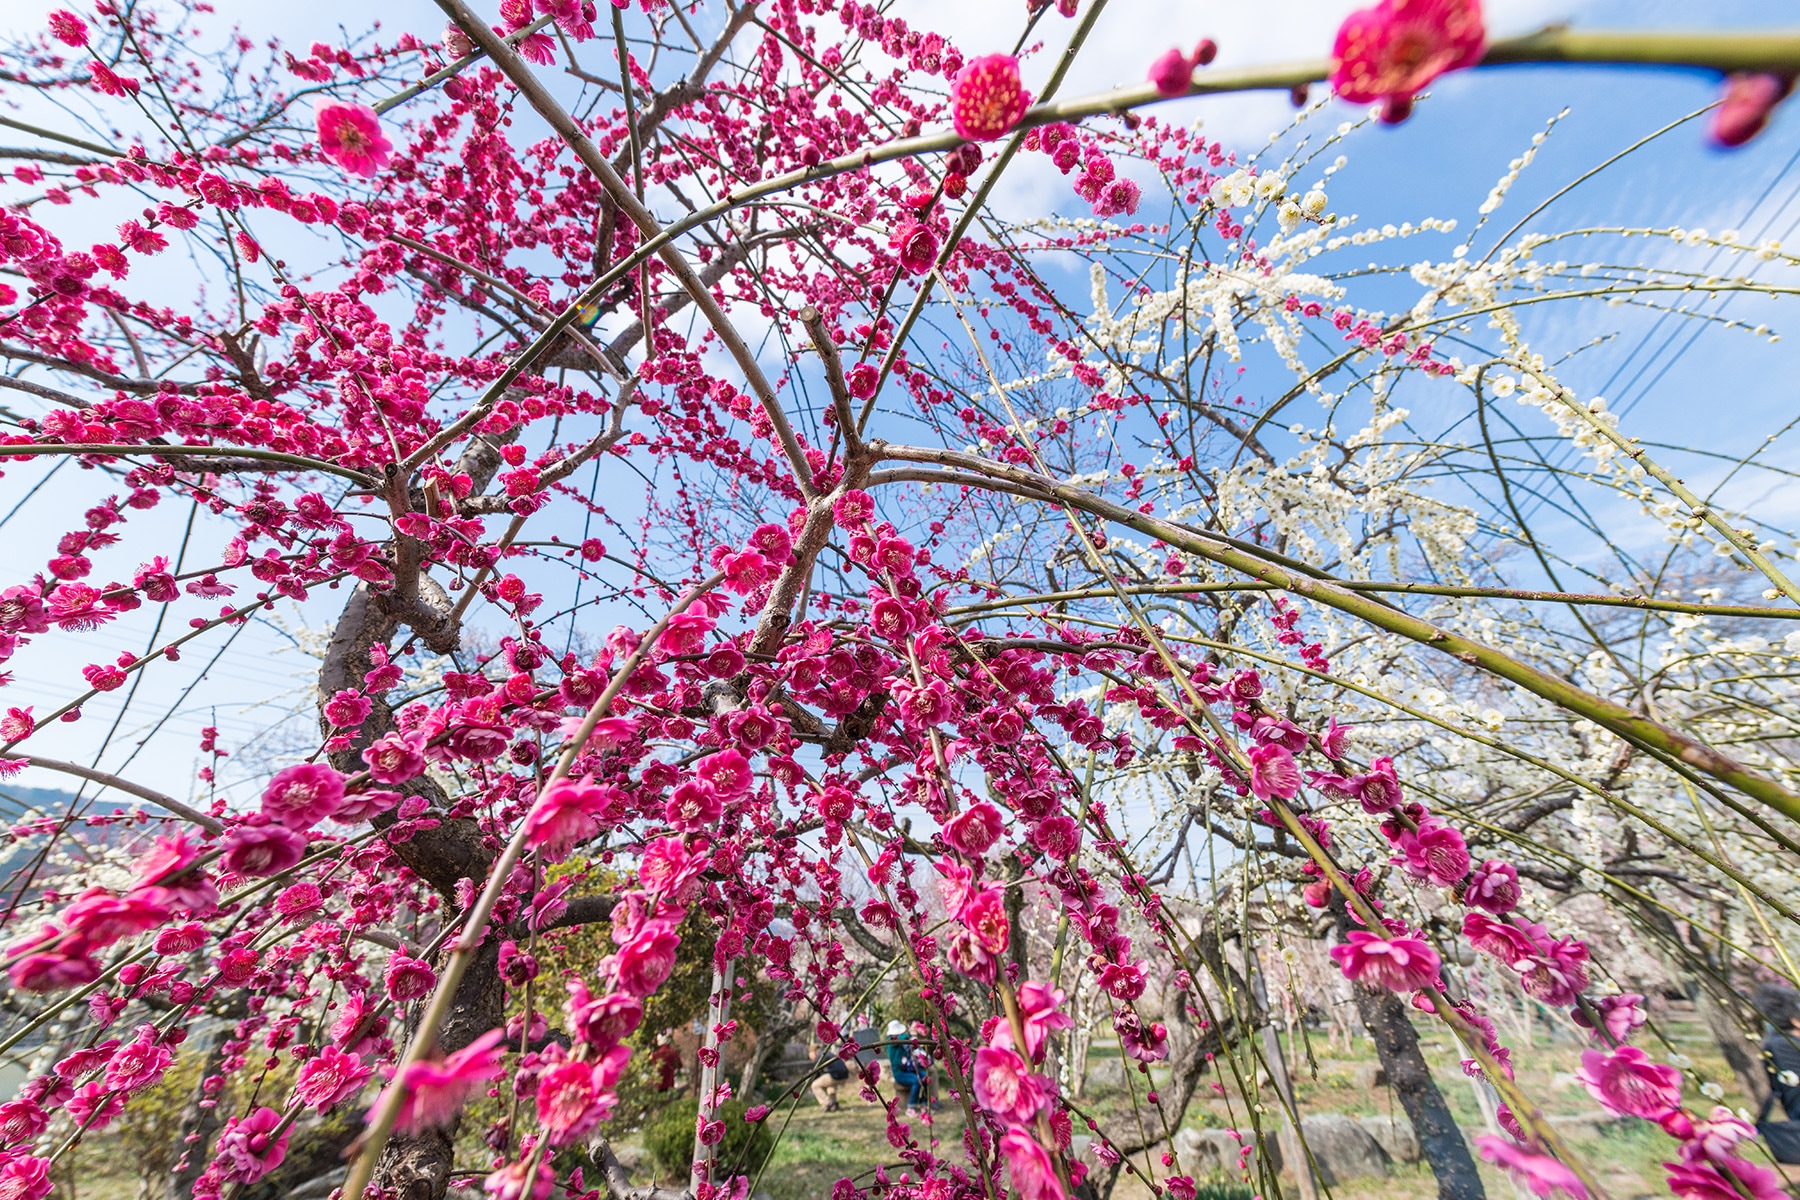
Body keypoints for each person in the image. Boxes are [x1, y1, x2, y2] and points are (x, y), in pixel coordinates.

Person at [885, 1019, 927, 1117]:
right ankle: (911, 1107)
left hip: (908, 1069)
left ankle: (924, 1103)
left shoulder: (900, 1041)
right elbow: (900, 1040)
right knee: (916, 1081)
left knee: (925, 1076)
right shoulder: (891, 1041)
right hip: (899, 1073)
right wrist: (911, 1033)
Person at [809, 1040, 848, 1112]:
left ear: (813, 1052)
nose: (810, 1056)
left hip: (836, 1075)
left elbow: (815, 1073)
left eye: (810, 1054)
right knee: (830, 1085)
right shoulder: (828, 1053)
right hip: (844, 1075)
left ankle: (826, 1103)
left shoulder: (820, 1056)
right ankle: (834, 1104)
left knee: (815, 1085)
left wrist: (809, 1081)